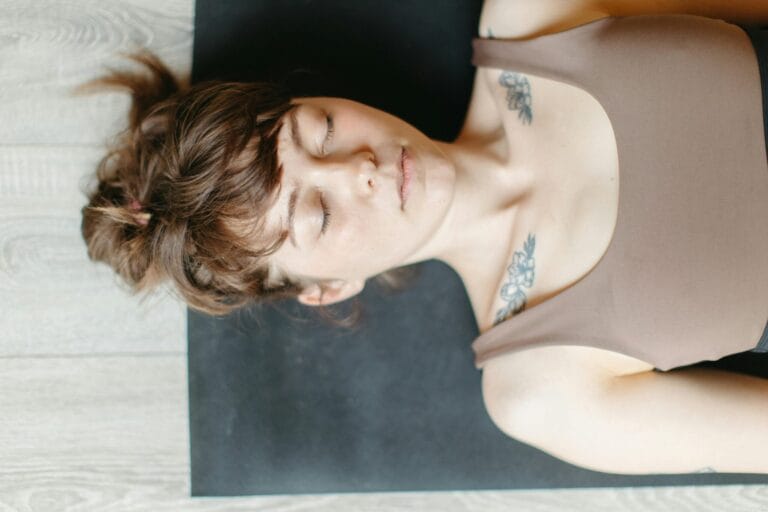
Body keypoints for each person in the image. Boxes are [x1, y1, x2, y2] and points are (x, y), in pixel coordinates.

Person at [80, 0, 768, 475]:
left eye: (318, 130)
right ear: (327, 291)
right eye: (317, 214)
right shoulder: (538, 387)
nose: (360, 171)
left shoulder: (529, 18)